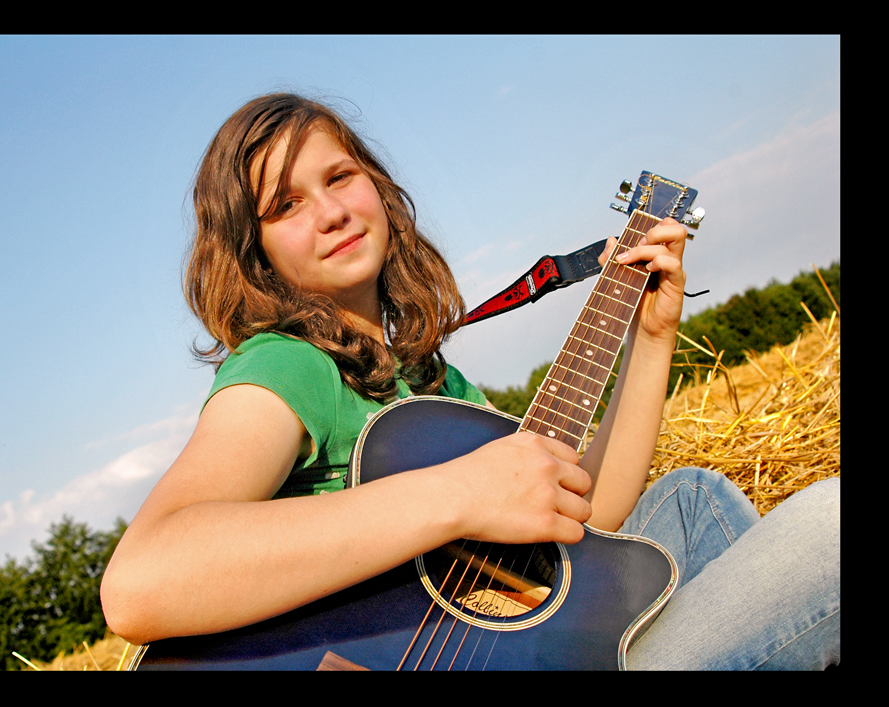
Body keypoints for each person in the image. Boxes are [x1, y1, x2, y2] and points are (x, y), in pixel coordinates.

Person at [100, 93, 839, 669]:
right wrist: (461, 493)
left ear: (378, 188)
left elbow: (581, 516)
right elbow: (141, 580)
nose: (328, 212)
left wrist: (649, 336)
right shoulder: (287, 364)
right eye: (285, 205)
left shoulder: (426, 376)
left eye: (339, 176)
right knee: (829, 526)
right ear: (253, 253)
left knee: (690, 500)